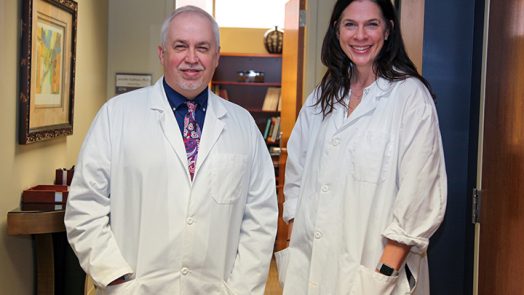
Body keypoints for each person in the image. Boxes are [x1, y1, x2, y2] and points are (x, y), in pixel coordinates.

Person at [65, 5, 278, 294]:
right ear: (162, 53)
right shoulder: (116, 116)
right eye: (180, 46)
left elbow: (261, 219)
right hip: (137, 287)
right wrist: (116, 277)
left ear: (216, 56)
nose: (192, 58)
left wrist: (239, 288)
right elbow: (84, 207)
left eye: (202, 47)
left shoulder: (243, 126)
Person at [275, 0, 447, 294]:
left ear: (389, 30)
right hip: (311, 266)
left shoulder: (410, 98)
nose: (360, 36)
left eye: (372, 24)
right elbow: (297, 174)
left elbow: (419, 195)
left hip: (375, 274)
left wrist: (383, 274)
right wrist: (294, 235)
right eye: (350, 24)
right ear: (336, 30)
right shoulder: (322, 97)